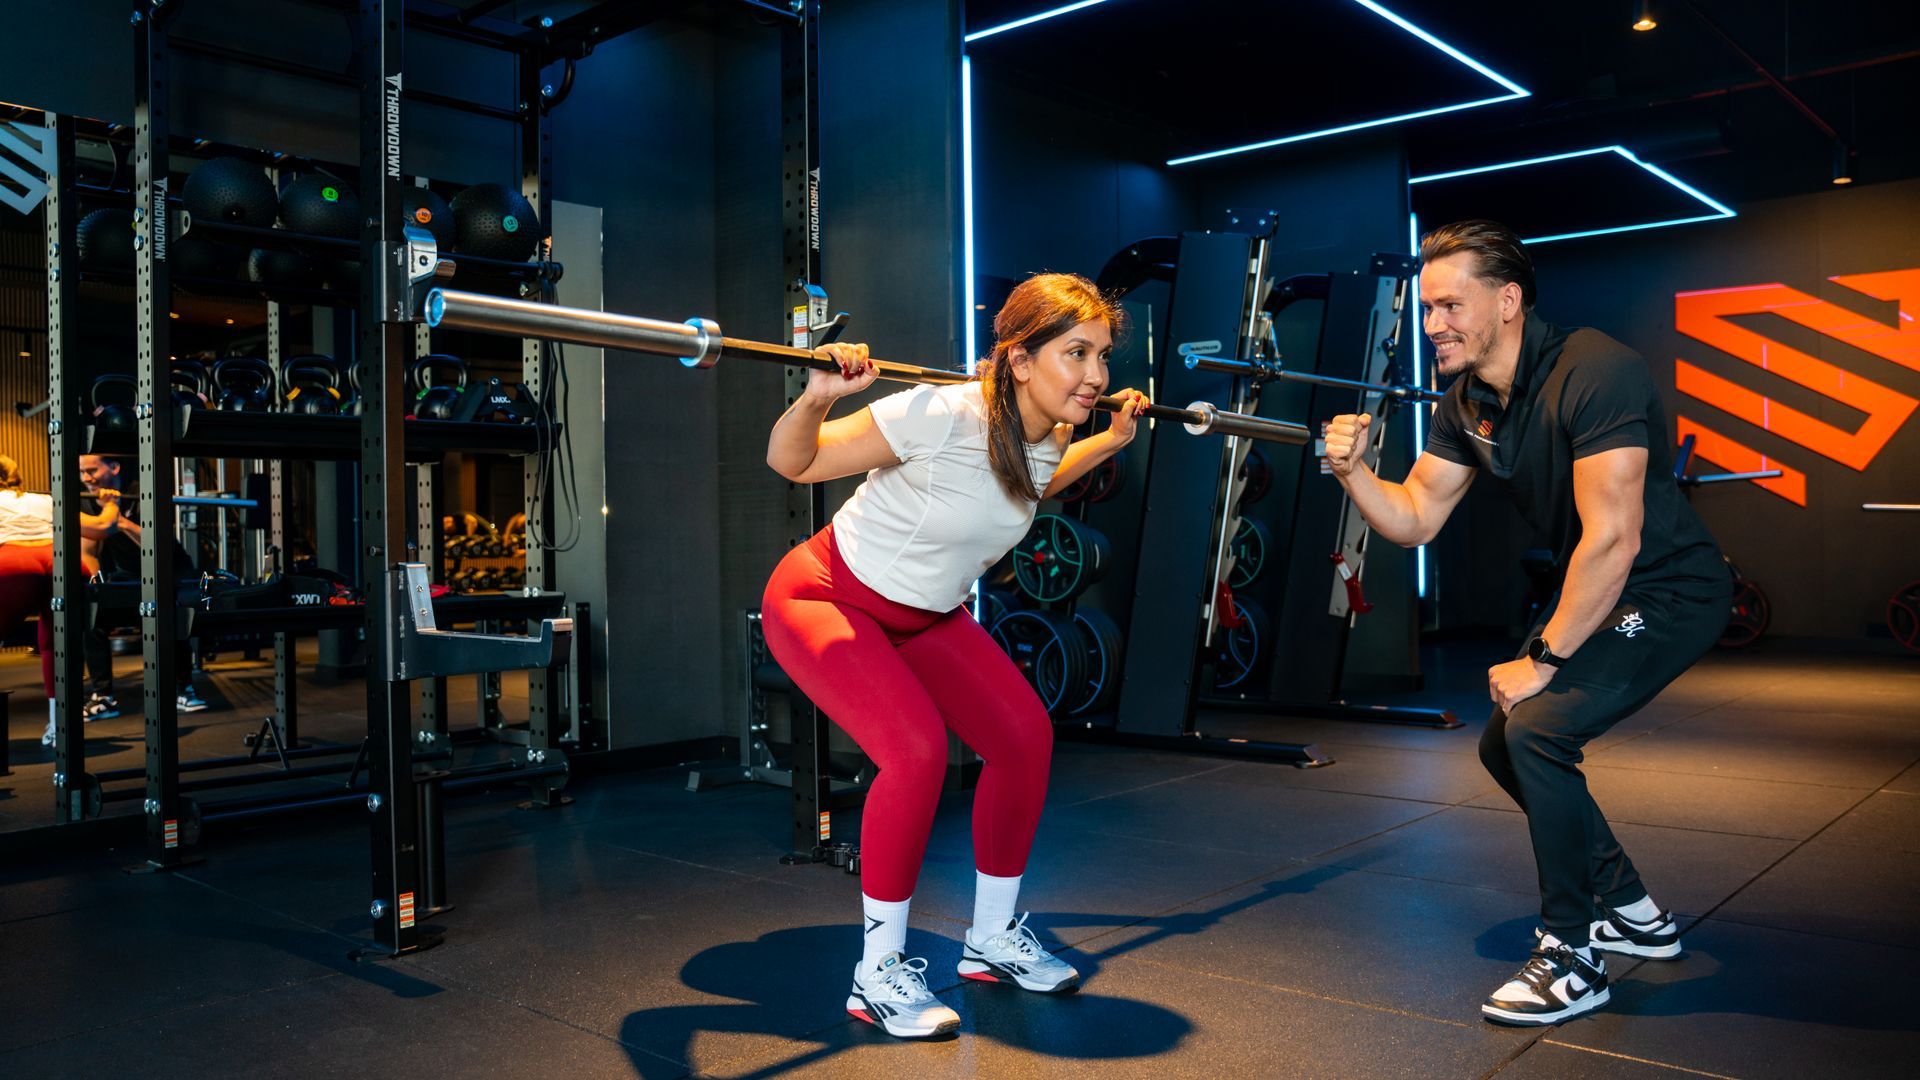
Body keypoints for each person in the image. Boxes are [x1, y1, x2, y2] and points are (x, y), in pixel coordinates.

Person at [1323, 220, 1732, 1026]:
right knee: (1501, 739)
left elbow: (1614, 540)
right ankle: (1632, 912)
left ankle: (1573, 956)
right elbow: (1412, 518)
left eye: (1449, 305)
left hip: (1669, 589)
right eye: (1426, 308)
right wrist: (1352, 471)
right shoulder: (1465, 400)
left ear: (1508, 301)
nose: (1432, 324)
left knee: (1537, 728)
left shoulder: (1596, 369)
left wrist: (1543, 657)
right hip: (1601, 586)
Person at [760, 272, 1149, 1039]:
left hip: (926, 616)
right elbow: (791, 462)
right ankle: (877, 977)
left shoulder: (1050, 432)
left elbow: (1028, 488)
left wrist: (1111, 438)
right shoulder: (936, 412)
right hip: (825, 598)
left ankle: (991, 940)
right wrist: (815, 397)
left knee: (1024, 738)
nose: (1099, 376)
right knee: (915, 752)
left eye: (1103, 355)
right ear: (1021, 360)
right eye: (1078, 353)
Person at [0, 454, 120, 746]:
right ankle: (59, 727)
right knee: (56, 645)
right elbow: (105, 527)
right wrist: (112, 503)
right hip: (61, 562)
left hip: (15, 565)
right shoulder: (42, 500)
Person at [77, 453, 207, 716]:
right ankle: (103, 697)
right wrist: (96, 585)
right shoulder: (87, 499)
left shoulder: (143, 490)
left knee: (171, 617)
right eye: (81, 472)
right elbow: (89, 550)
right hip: (129, 574)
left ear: (114, 467)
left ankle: (184, 690)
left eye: (92, 470)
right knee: (91, 617)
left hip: (170, 570)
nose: (86, 478)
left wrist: (118, 520)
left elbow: (157, 546)